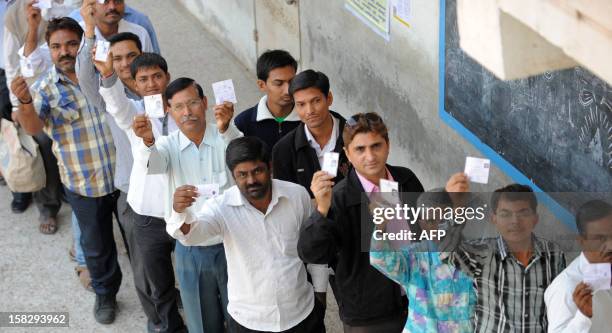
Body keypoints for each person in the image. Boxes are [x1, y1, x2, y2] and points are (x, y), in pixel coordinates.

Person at [77, 6, 185, 330]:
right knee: (146, 267)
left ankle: (179, 300)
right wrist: (90, 31)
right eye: (118, 58)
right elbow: (91, 78)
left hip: (179, 194)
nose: (124, 63)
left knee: (184, 259)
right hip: (135, 194)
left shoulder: (173, 102)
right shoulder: (115, 101)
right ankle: (158, 319)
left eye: (132, 57)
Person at [10, 17, 121, 324]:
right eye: (56, 46)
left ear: (81, 44)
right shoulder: (44, 88)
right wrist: (23, 101)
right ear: (49, 50)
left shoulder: (102, 75)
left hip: (124, 177)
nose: (64, 52)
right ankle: (105, 294)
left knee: (140, 244)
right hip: (83, 184)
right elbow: (33, 127)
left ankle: (156, 291)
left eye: (71, 44)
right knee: (97, 249)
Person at [169, 136, 328, 333]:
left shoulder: (297, 195)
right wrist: (179, 210)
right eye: (242, 175)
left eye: (257, 171)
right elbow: (191, 235)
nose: (251, 180)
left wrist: (320, 294)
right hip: (249, 322)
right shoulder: (221, 207)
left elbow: (314, 245)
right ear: (233, 176)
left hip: (302, 313)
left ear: (270, 167)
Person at [133, 77, 241, 333]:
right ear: (169, 111)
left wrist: (227, 128)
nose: (187, 112)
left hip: (233, 243)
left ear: (204, 103)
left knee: (242, 317)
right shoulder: (165, 145)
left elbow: (240, 156)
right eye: (179, 106)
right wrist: (147, 140)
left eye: (193, 103)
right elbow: (153, 166)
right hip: (192, 250)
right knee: (202, 323)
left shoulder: (224, 134)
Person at [298, 112, 424, 332]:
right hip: (370, 315)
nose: (370, 156)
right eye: (360, 149)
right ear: (347, 153)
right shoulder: (339, 198)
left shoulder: (406, 179)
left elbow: (424, 233)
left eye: (376, 146)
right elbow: (312, 253)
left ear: (388, 145)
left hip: (417, 299)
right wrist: (322, 210)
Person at [447, 182, 567, 332]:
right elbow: (446, 249)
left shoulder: (553, 254)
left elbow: (560, 306)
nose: (515, 221)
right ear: (494, 219)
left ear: (535, 219)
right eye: (505, 214)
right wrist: (456, 211)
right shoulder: (480, 253)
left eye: (523, 213)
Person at [369, 185, 477, 333]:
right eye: (431, 221)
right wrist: (380, 226)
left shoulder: (476, 257)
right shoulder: (413, 257)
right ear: (422, 223)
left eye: (444, 219)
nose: (439, 227)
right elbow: (380, 259)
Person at [3, 0, 65, 232]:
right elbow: (11, 64)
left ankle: (69, 192)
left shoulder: (73, 4)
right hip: (35, 95)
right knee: (42, 144)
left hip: (71, 88)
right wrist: (16, 104)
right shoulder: (15, 13)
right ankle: (48, 206)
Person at [272, 70, 350, 198]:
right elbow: (286, 203)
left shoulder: (357, 136)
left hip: (359, 216)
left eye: (316, 101)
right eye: (301, 104)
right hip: (311, 217)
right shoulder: (283, 150)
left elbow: (376, 180)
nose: (309, 111)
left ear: (329, 98)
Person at [545, 200, 612, 333]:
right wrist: (583, 317)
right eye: (600, 239)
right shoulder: (564, 288)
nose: (610, 246)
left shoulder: (607, 266)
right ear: (582, 241)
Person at [233, 49, 301, 149]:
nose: (287, 90)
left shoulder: (309, 119)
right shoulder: (243, 123)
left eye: (292, 81)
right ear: (261, 85)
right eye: (278, 83)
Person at [69, 0, 161, 54]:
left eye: (117, 0)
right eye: (106, 1)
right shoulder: (75, 25)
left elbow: (154, 65)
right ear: (91, 3)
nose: (112, 7)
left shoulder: (140, 28)